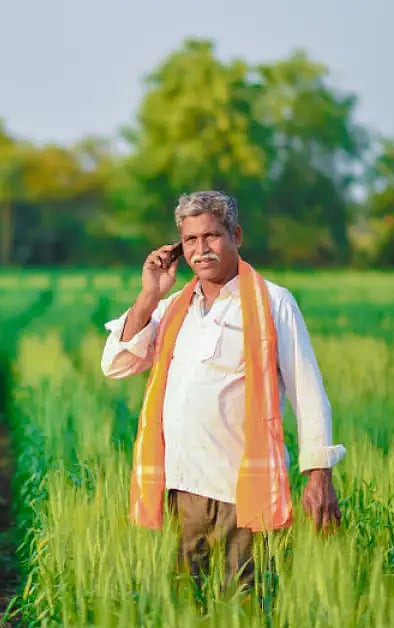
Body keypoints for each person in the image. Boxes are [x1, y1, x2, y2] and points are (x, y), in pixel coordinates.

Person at [100, 190, 345, 593]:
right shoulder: (174, 306)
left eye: (212, 236)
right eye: (191, 240)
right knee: (186, 608)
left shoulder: (273, 302)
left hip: (244, 493)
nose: (201, 249)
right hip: (183, 490)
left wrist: (319, 476)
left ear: (236, 235)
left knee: (245, 607)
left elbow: (308, 390)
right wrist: (149, 294)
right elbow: (117, 364)